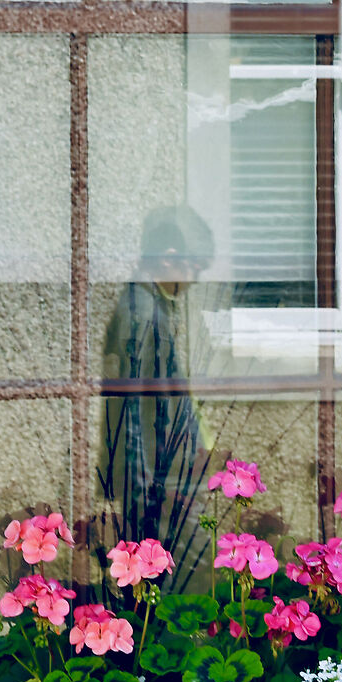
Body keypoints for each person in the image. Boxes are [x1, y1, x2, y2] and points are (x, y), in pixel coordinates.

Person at [96, 205, 216, 586]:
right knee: (185, 578)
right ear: (168, 259)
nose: (197, 277)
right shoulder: (142, 311)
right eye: (195, 266)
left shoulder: (152, 303)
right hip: (158, 479)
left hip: (165, 474)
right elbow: (129, 408)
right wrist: (144, 483)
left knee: (177, 577)